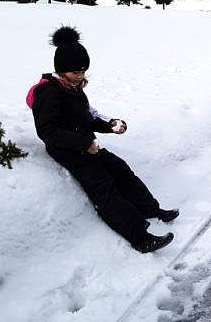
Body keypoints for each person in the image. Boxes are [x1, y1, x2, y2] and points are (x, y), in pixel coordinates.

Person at [27, 26, 178, 254]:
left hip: (87, 146)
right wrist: (82, 144)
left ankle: (151, 210)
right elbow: (47, 131)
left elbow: (88, 116)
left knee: (120, 169)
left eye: (83, 71)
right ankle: (140, 238)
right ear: (62, 69)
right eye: (76, 72)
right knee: (103, 188)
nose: (81, 76)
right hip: (68, 151)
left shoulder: (74, 89)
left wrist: (111, 125)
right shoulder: (49, 93)